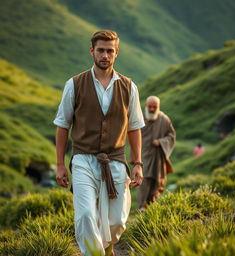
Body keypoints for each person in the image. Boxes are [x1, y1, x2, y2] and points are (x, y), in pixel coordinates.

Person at [53, 30, 144, 256]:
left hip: (115, 160)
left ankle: (107, 246)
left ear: (116, 53)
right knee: (85, 216)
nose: (105, 55)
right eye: (101, 50)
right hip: (83, 159)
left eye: (110, 51)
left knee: (118, 220)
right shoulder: (74, 84)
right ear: (92, 51)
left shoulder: (129, 87)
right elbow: (62, 125)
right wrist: (61, 164)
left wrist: (138, 163)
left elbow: (134, 127)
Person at [137, 96, 176, 211]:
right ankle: (142, 206)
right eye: (150, 106)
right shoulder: (139, 118)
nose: (152, 109)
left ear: (158, 107)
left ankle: (151, 206)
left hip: (158, 156)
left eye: (155, 107)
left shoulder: (164, 119)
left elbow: (172, 136)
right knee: (144, 179)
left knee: (157, 180)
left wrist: (160, 142)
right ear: (146, 106)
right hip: (143, 155)